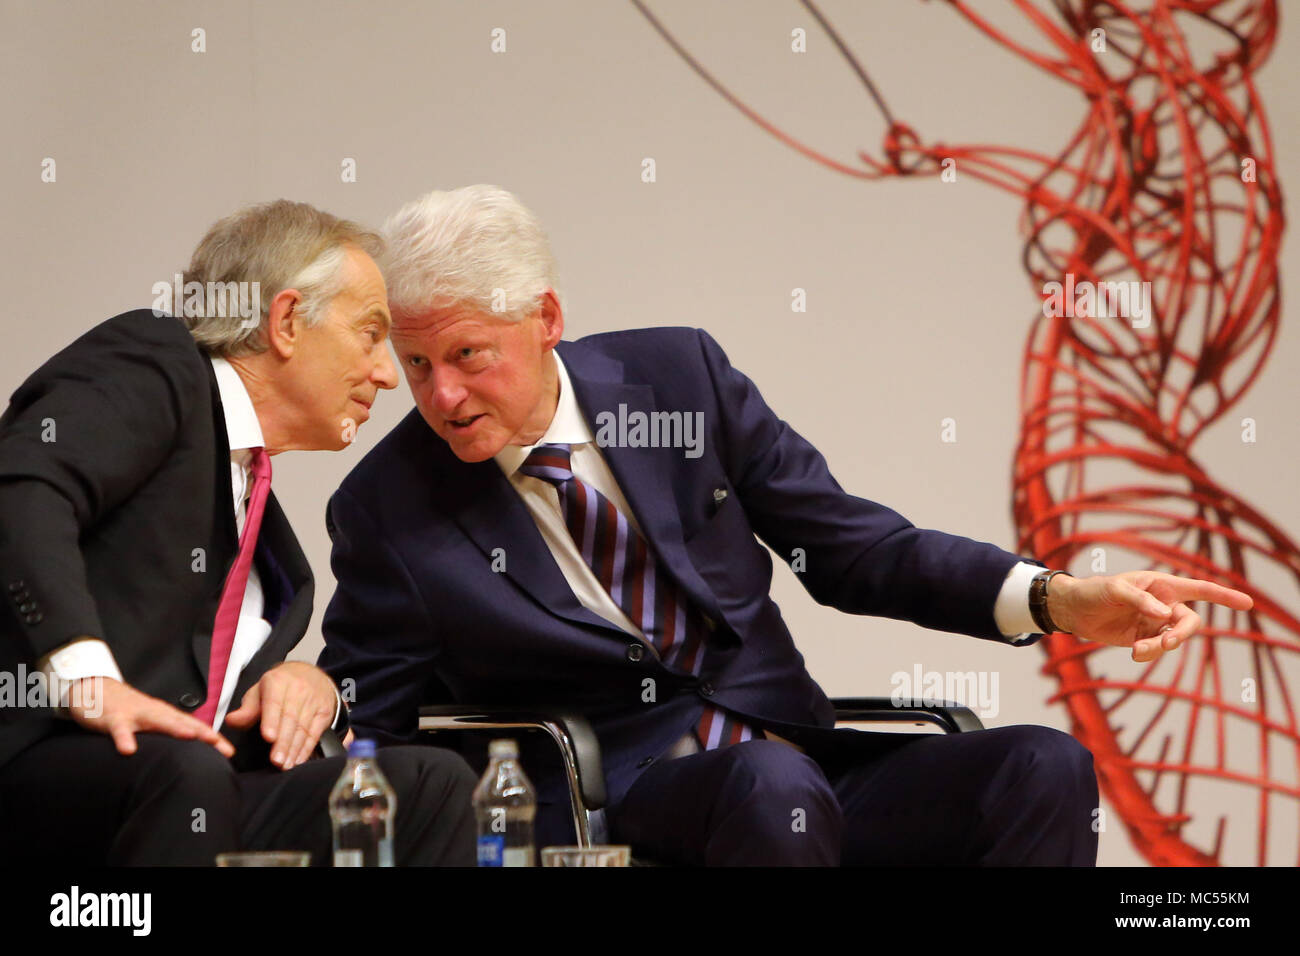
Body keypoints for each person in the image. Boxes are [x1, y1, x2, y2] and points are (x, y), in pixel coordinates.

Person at [318, 185, 1254, 865]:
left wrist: (1053, 598)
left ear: (546, 319)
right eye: (413, 364)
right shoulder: (388, 508)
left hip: (800, 756)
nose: (440, 394)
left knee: (1040, 766)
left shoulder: (679, 380)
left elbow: (854, 549)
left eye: (467, 355)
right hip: (618, 805)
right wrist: (304, 694)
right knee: (771, 789)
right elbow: (370, 726)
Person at [0, 200, 476, 866]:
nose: (388, 374)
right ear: (285, 322)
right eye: (370, 334)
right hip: (39, 763)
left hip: (185, 792)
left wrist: (305, 685)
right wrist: (87, 677)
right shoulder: (158, 362)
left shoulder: (260, 516)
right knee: (186, 776)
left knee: (429, 786)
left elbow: (200, 665)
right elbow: (24, 487)